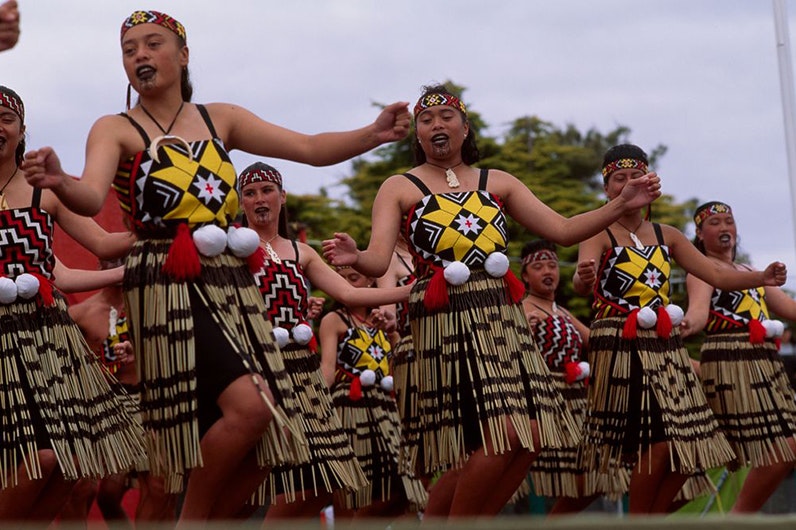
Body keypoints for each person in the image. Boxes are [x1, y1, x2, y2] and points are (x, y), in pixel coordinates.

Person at [22, 10, 410, 522]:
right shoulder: (115, 128)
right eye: (129, 48)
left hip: (230, 285)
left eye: (153, 43)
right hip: (167, 282)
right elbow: (90, 196)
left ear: (183, 55)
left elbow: (309, 148)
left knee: (273, 429)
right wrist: (58, 180)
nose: (140, 54)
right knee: (251, 408)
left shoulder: (218, 117)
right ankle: (191, 521)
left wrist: (373, 134)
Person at [321, 84, 661, 518]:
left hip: (501, 322)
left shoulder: (496, 181)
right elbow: (377, 259)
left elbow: (563, 229)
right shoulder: (398, 187)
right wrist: (357, 257)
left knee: (531, 436)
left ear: (465, 128)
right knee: (499, 437)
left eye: (447, 116)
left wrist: (619, 204)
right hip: (445, 321)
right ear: (418, 137)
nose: (437, 124)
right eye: (426, 120)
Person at [572, 144, 787, 514]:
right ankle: (641, 520)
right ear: (608, 189)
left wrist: (761, 276)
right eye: (618, 179)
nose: (627, 185)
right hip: (621, 344)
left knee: (686, 444)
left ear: (649, 184)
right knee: (657, 442)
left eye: (634, 177)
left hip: (663, 346)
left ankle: (651, 519)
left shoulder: (666, 234)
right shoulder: (598, 229)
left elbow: (716, 273)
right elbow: (581, 281)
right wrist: (582, 277)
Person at [0, 85, 144, 523]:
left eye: (6, 117)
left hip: (47, 340)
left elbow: (93, 249)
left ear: (22, 130)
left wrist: (156, 232)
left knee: (70, 462)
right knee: (37, 460)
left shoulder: (47, 192)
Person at [237, 161, 412, 520]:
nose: (259, 199)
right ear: (241, 203)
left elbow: (351, 293)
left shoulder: (303, 253)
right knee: (247, 481)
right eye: (250, 193)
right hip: (253, 366)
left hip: (301, 375)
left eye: (267, 190)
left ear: (282, 197)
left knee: (323, 480)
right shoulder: (231, 248)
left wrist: (412, 289)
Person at [680, 201, 796, 513]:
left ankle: (738, 515)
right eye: (714, 223)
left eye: (728, 221)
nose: (724, 227)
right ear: (700, 234)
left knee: (788, 444)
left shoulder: (750, 273)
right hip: (729, 364)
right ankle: (737, 516)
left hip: (764, 366)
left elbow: (789, 309)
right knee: (720, 451)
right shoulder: (702, 270)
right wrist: (686, 325)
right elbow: (698, 313)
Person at [63, 258, 177, 526]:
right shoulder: (80, 314)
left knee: (160, 487)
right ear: (100, 265)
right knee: (82, 486)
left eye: (124, 260)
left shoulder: (154, 308)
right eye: (111, 260)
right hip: (102, 406)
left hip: (150, 402)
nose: (118, 266)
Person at [318, 265, 410, 519]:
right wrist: (314, 406)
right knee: (351, 491)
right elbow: (327, 370)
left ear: (371, 281)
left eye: (353, 277)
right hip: (349, 405)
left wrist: (392, 332)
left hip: (385, 409)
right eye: (340, 278)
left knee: (399, 491)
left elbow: (402, 362)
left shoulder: (383, 321)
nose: (346, 283)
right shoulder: (333, 320)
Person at [518, 239, 603, 514]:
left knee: (593, 479)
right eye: (539, 266)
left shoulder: (562, 312)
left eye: (552, 265)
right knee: (548, 479)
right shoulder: (523, 309)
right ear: (525, 276)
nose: (548, 271)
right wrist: (524, 334)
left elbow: (596, 341)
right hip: (545, 403)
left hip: (576, 402)